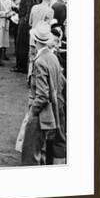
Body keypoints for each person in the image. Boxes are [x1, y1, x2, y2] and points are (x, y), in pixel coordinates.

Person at [21, 22, 66, 166]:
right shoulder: (53, 57)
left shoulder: (39, 61)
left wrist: (32, 112)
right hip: (54, 109)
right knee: (47, 147)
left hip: (41, 115)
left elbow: (42, 95)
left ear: (35, 41)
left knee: (30, 152)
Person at [14, 0, 37, 73]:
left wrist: (25, 20)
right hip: (22, 19)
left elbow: (29, 7)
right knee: (20, 43)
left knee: (21, 43)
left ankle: (21, 66)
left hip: (24, 21)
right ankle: (20, 65)